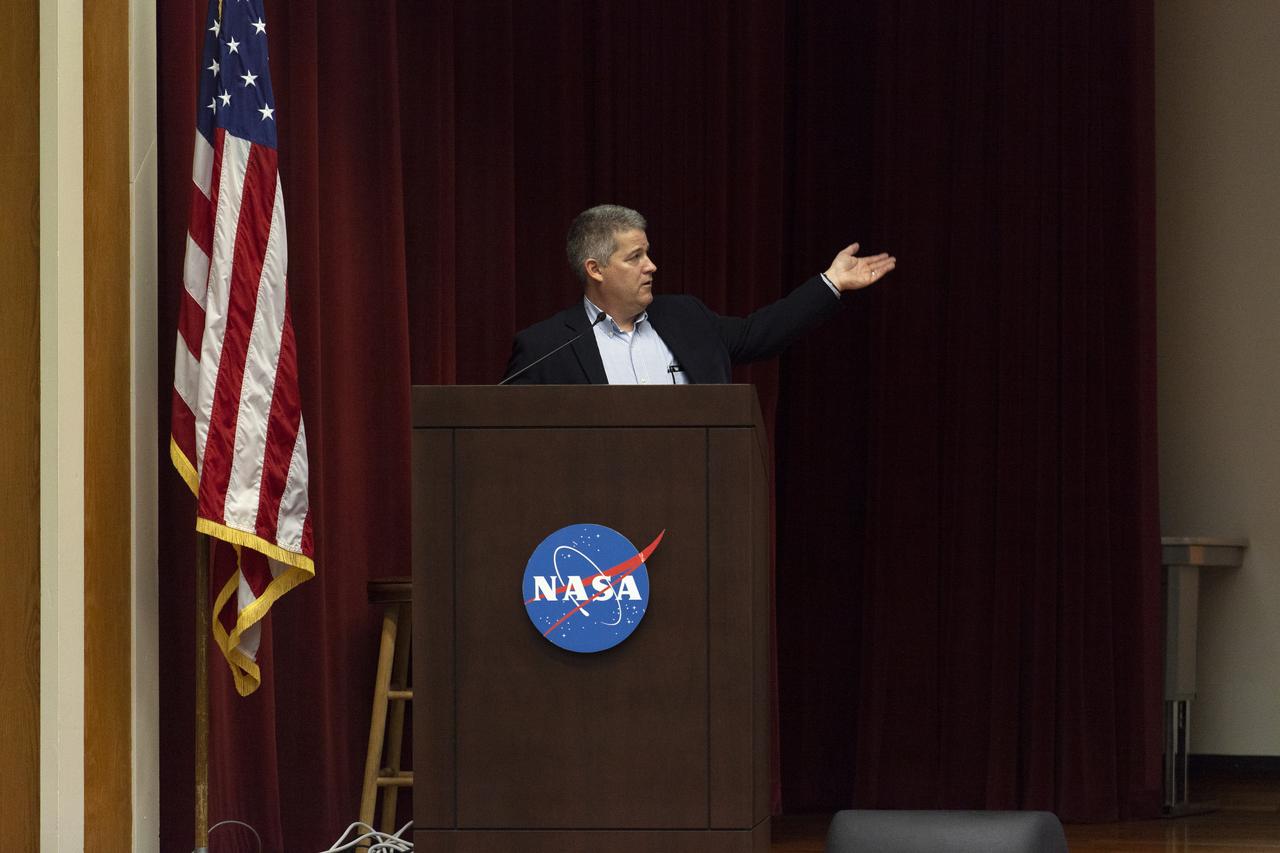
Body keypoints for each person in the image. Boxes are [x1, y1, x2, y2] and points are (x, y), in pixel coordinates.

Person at [501, 204, 895, 385]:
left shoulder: (685, 318)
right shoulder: (545, 348)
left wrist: (831, 282)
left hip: (696, 507)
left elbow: (761, 332)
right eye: (635, 257)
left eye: (648, 253)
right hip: (599, 524)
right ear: (596, 269)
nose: (651, 266)